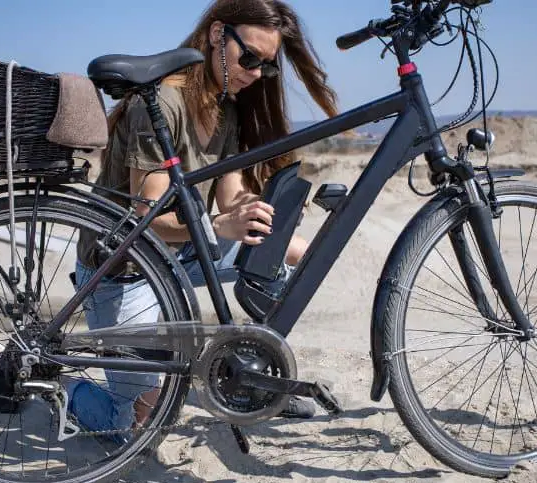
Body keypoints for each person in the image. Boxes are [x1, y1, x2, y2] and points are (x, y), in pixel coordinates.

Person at [71, 0, 340, 435]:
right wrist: (219, 227)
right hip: (123, 266)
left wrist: (258, 210)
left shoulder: (226, 107)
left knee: (285, 253)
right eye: (249, 58)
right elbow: (146, 218)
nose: (255, 73)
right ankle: (63, 392)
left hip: (180, 253)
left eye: (266, 67)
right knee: (136, 425)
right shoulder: (162, 103)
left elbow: (231, 193)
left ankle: (258, 380)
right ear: (218, 35)